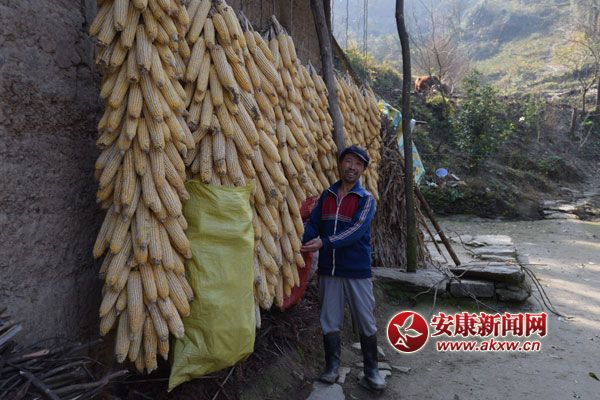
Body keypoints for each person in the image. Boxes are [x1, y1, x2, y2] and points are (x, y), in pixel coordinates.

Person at [301, 145, 385, 391]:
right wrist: (301, 236)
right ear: (341, 164)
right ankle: (332, 367)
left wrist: (324, 243)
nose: (352, 167)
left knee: (365, 319)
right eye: (348, 161)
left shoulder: (366, 199)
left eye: (358, 164)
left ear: (363, 170)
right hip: (329, 270)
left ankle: (372, 370)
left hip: (356, 270)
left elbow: (356, 231)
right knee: (329, 319)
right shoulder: (327, 196)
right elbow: (314, 224)